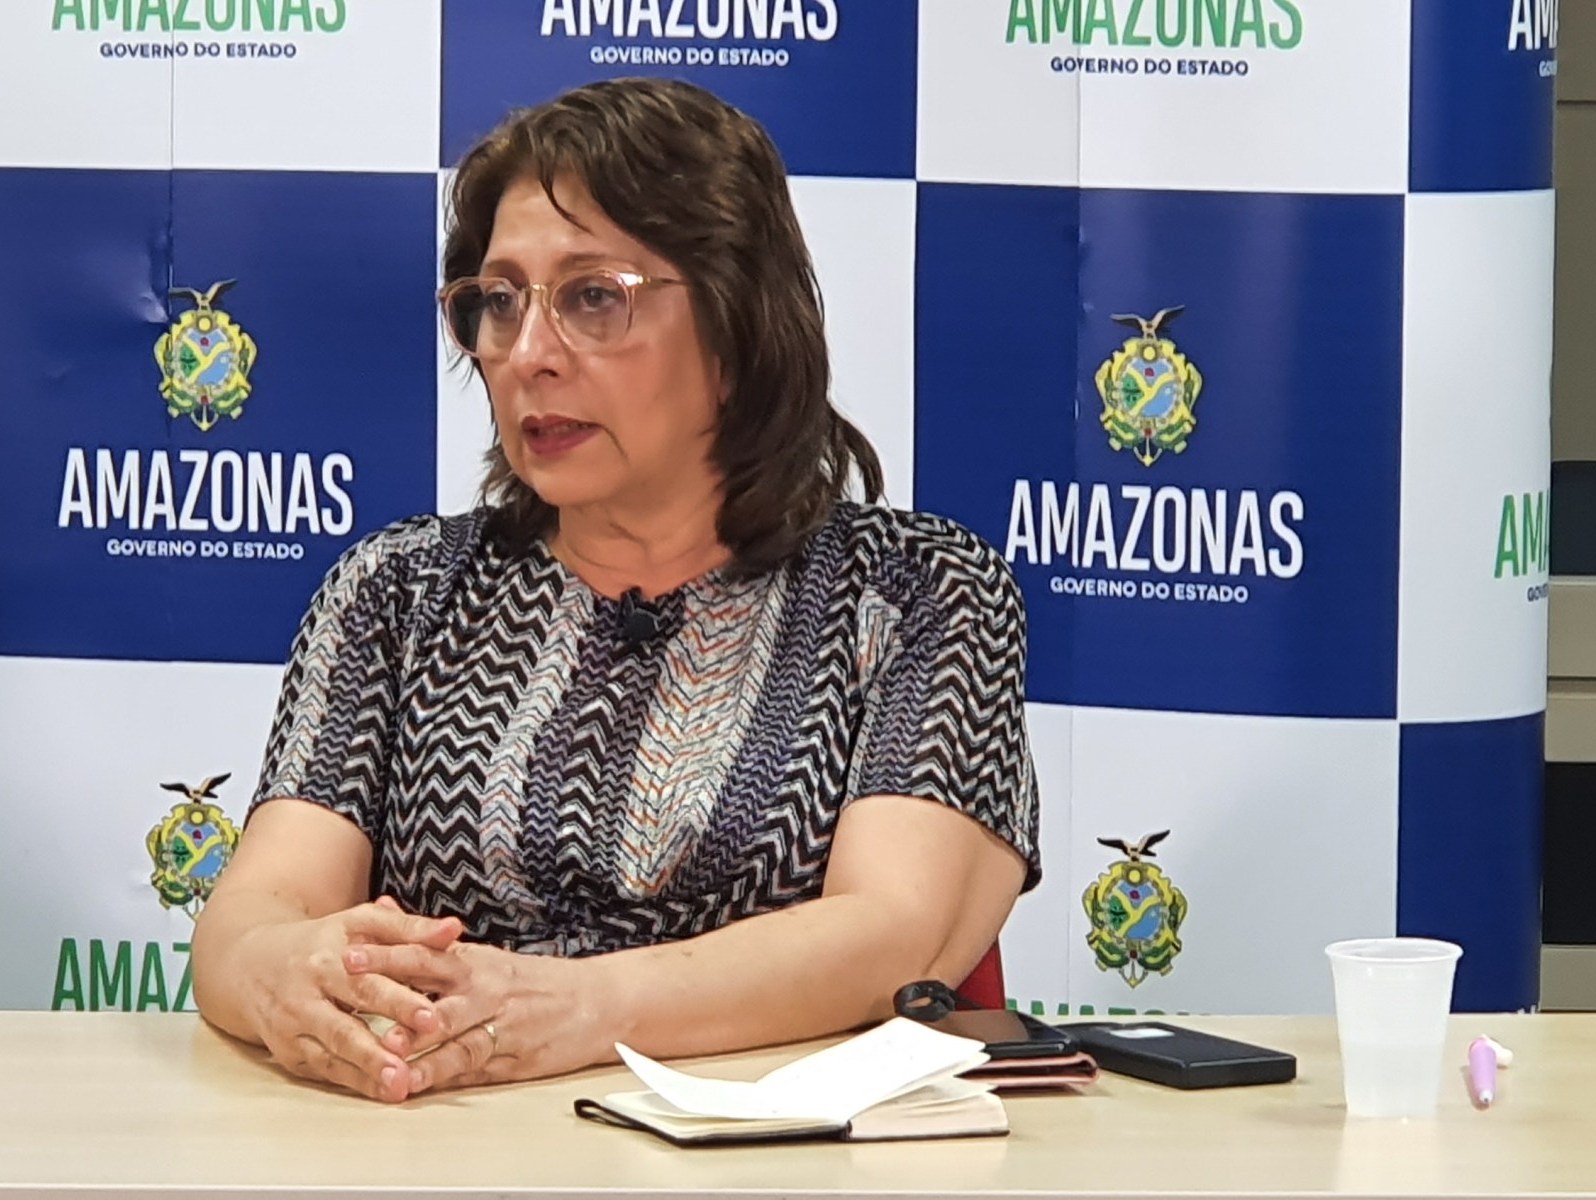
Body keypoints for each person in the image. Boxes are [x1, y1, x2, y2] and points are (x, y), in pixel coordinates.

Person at [189, 76, 1040, 1104]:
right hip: (443, 1146)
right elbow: (256, 913)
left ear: (736, 323)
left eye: (593, 297)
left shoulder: (915, 591)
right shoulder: (400, 590)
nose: (528, 355)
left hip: (780, 1160)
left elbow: (894, 934)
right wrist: (279, 971)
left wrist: (579, 1008)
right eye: (498, 303)